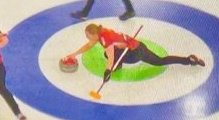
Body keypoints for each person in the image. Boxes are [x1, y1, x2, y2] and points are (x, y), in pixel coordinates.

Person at [61, 22, 206, 78]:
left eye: (88, 35)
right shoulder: (102, 31)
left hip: (134, 54)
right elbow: (89, 45)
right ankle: (189, 60)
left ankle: (118, 66)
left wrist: (108, 71)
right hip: (138, 46)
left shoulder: (105, 39)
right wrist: (74, 54)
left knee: (107, 54)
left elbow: (110, 57)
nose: (87, 38)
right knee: (160, 61)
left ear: (94, 35)